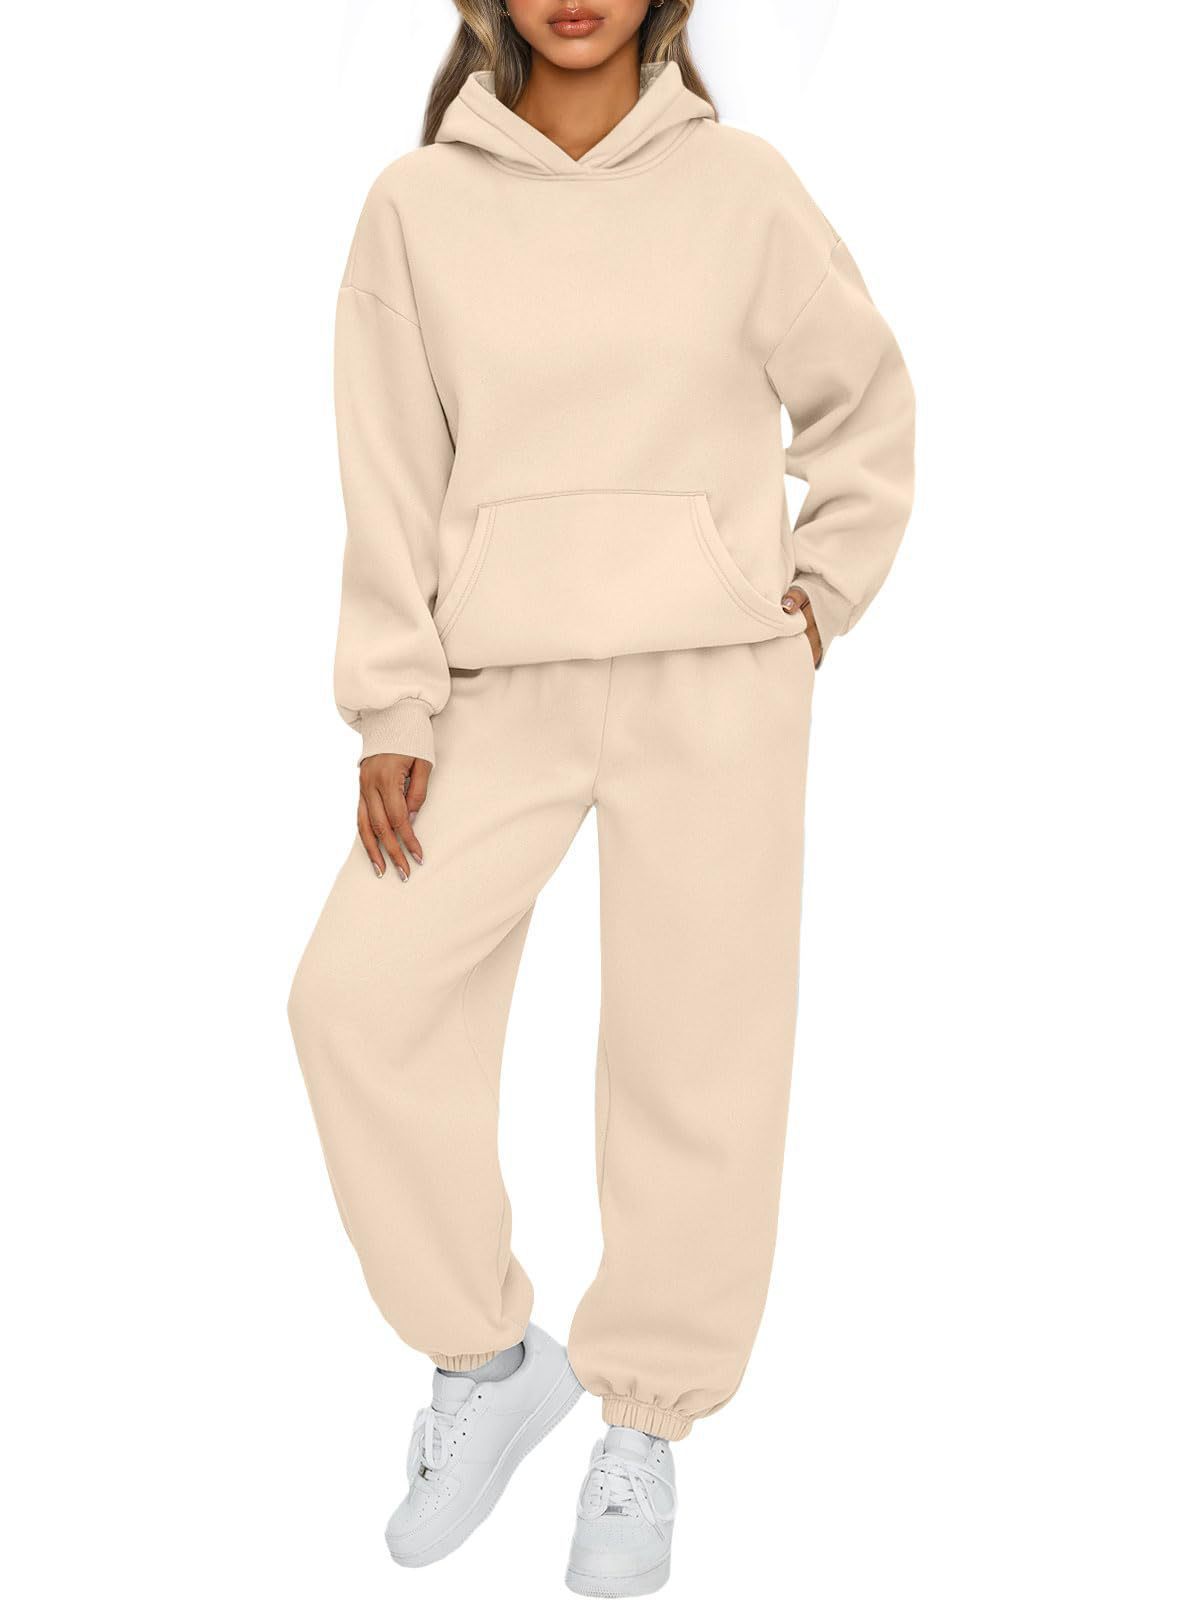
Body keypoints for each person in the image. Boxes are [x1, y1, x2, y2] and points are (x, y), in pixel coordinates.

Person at [288, 1, 915, 1591]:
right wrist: (392, 702)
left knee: (697, 1057)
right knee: (355, 1003)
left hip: (713, 680)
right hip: (492, 688)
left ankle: (645, 1425)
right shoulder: (416, 206)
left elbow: (867, 403)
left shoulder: (743, 190)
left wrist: (817, 596)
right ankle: (487, 1360)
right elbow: (387, 472)